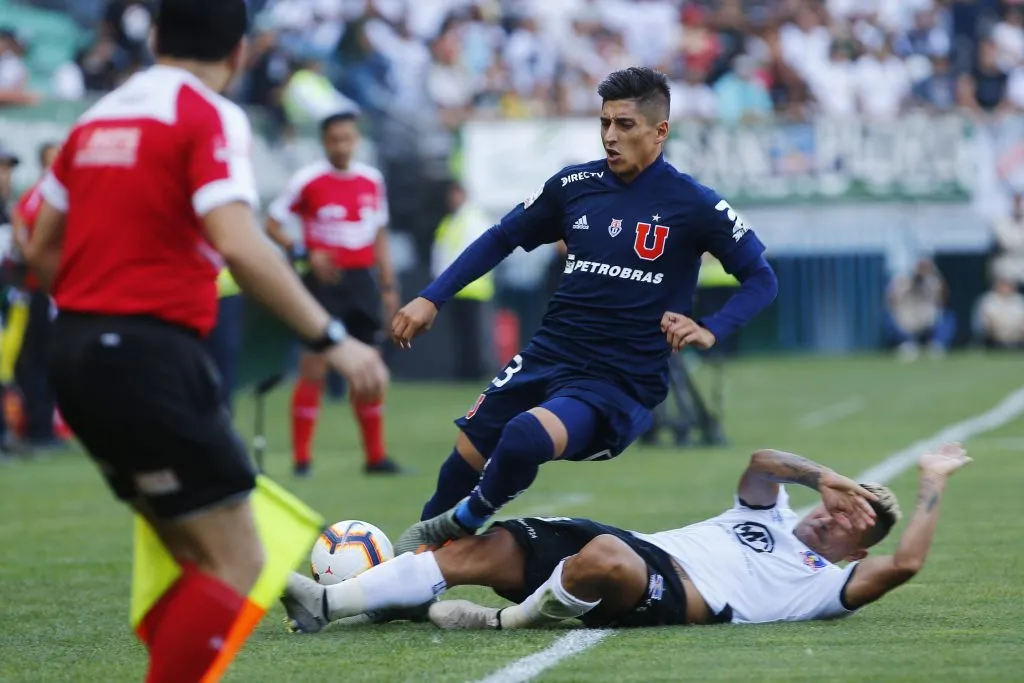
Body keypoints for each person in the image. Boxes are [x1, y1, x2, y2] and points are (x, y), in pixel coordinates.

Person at [24, 2, 388, 681]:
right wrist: (332, 335)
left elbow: (41, 245)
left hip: (73, 351)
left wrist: (98, 303)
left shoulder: (96, 117)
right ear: (241, 53)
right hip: (147, 355)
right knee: (239, 559)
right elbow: (240, 243)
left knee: (191, 556)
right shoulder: (208, 113)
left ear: (156, 36)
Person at [389, 67, 779, 555]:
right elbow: (501, 237)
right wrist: (432, 297)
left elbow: (762, 278)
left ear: (660, 132)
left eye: (625, 125)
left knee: (523, 436)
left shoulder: (694, 203)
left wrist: (712, 328)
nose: (611, 137)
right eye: (604, 124)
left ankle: (462, 524)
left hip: (618, 381)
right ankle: (409, 575)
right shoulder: (574, 185)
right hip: (549, 353)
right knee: (464, 456)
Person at [280, 442, 971, 633]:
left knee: (602, 558)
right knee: (482, 546)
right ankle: (327, 604)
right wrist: (827, 475)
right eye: (840, 502)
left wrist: (931, 479)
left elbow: (907, 560)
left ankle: (502, 623)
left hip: (678, 592)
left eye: (854, 518)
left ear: (859, 547)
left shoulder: (831, 583)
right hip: (640, 544)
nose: (836, 512)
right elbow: (762, 460)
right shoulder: (773, 512)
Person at [266, 111, 404, 476]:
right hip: (322, 284)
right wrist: (303, 253)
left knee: (369, 369)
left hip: (362, 284)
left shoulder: (371, 180)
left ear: (356, 140)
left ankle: (375, 457)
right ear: (325, 142)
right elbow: (272, 223)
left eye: (347, 138)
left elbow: (379, 235)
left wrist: (388, 285)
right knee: (314, 368)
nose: (342, 145)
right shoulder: (307, 180)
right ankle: (302, 460)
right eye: (335, 139)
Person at [10, 142, 63, 450]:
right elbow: (20, 220)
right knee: (36, 361)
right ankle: (39, 430)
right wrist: (33, 255)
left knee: (45, 360)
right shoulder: (43, 192)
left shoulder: (56, 192)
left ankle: (46, 428)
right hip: (40, 288)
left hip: (55, 288)